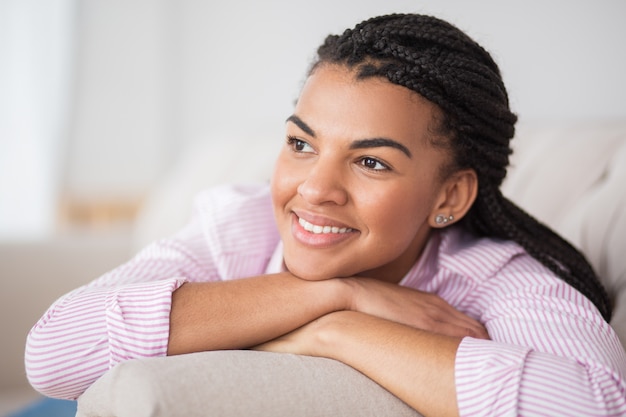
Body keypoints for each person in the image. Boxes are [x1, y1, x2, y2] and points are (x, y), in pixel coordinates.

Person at [26, 13, 626, 416]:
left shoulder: (494, 277)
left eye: (371, 163)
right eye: (302, 144)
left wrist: (333, 332)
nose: (315, 189)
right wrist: (338, 295)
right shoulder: (236, 224)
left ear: (450, 197)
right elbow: (53, 355)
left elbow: (594, 404)